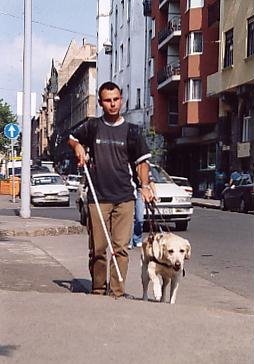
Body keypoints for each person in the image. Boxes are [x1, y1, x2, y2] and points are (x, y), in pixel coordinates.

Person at [67, 81, 153, 299]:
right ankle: (97, 289)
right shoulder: (93, 126)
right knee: (98, 248)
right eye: (107, 100)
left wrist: (145, 186)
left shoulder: (133, 131)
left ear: (121, 100)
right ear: (101, 103)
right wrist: (78, 147)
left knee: (120, 248)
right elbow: (72, 138)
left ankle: (116, 292)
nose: (113, 104)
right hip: (99, 197)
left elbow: (142, 163)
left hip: (125, 197)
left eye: (116, 99)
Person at [128, 163, 156, 249]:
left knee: (139, 218)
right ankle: (128, 241)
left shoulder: (145, 165)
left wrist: (154, 193)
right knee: (128, 218)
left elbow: (150, 181)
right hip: (128, 192)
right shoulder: (127, 163)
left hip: (140, 192)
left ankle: (137, 238)